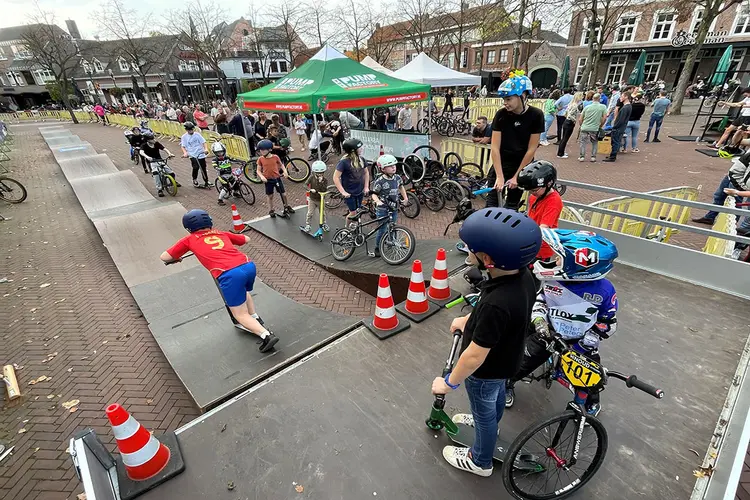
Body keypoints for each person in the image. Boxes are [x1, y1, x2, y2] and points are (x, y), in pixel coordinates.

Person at [431, 208, 542, 477]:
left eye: (471, 248)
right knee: (495, 402)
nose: (467, 251)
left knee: (483, 411)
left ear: (488, 259)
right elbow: (503, 316)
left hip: (485, 372)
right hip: (508, 360)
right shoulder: (522, 277)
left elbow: (473, 356)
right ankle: (491, 424)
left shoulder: (497, 303)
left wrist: (448, 383)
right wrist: (469, 319)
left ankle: (480, 460)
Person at [504, 229, 619, 416]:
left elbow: (608, 322)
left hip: (581, 341)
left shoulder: (604, 290)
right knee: (520, 361)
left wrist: (588, 340)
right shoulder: (554, 280)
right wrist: (540, 321)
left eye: (559, 258)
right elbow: (540, 300)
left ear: (581, 265)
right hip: (549, 332)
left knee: (590, 376)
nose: (554, 261)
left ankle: (586, 401)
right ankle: (508, 382)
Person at [160, 209, 279, 353]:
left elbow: (164, 257)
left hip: (229, 274)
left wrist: (176, 258)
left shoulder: (189, 240)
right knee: (243, 291)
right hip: (248, 266)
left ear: (188, 227)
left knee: (239, 314)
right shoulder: (220, 233)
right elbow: (246, 239)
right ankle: (254, 317)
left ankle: (266, 335)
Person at [488, 71, 545, 210]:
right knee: (491, 205)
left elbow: (532, 148)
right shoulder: (501, 114)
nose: (505, 103)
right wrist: (499, 176)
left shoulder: (536, 115)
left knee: (511, 206)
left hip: (522, 165)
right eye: (504, 100)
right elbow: (495, 147)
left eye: (509, 99)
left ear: (523, 96)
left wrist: (517, 177)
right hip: (501, 163)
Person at [516, 161, 563, 263]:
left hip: (541, 248)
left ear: (548, 184)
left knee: (533, 276)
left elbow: (543, 228)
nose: (532, 193)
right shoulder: (535, 196)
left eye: (534, 190)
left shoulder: (553, 201)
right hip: (530, 241)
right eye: (530, 191)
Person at [692, 150, 750, 224]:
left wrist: (739, 188)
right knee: (719, 196)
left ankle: (732, 225)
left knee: (734, 203)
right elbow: (739, 141)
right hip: (733, 175)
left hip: (738, 181)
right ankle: (710, 217)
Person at [371, 154, 408, 257]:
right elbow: (374, 194)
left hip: (394, 207)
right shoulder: (380, 181)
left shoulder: (397, 178)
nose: (393, 167)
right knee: (382, 229)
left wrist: (405, 198)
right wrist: (377, 201)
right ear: (383, 169)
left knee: (393, 226)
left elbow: (401, 187)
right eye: (390, 166)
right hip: (383, 209)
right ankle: (378, 247)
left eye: (394, 165)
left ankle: (392, 243)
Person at [334, 138, 370, 221]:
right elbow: (335, 177)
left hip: (360, 191)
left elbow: (366, 173)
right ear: (353, 151)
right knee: (353, 213)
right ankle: (347, 229)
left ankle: (354, 226)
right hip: (349, 192)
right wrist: (343, 192)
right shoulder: (344, 162)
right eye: (360, 148)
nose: (362, 149)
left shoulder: (362, 159)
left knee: (357, 210)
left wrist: (366, 187)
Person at [256, 138, 293, 218]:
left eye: (263, 150)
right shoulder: (260, 159)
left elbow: (281, 165)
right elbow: (258, 170)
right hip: (268, 180)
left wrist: (285, 171)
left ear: (269, 149)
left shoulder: (275, 157)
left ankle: (286, 206)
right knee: (270, 196)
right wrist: (262, 177)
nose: (261, 152)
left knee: (284, 194)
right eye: (260, 150)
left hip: (277, 178)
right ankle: (271, 209)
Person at [139, 131, 179, 197]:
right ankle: (159, 189)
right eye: (152, 139)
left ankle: (173, 182)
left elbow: (164, 148)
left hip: (160, 160)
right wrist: (147, 157)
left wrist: (169, 153)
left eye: (153, 138)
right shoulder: (144, 145)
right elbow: (141, 152)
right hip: (152, 162)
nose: (154, 140)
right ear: (148, 140)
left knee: (171, 173)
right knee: (156, 174)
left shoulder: (156, 143)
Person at [578, 93, 608, 162]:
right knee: (594, 142)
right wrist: (600, 125)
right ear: (599, 99)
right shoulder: (603, 107)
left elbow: (580, 119)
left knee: (583, 142)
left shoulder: (587, 107)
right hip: (594, 128)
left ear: (593, 99)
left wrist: (581, 125)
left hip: (585, 127)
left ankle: (582, 157)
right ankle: (593, 157)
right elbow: (604, 118)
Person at [603, 91, 631, 162]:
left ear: (626, 97)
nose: (620, 98)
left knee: (615, 142)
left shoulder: (625, 108)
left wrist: (615, 127)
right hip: (621, 127)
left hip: (618, 128)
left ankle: (612, 157)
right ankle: (612, 155)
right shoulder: (628, 107)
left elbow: (621, 120)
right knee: (616, 141)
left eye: (622, 96)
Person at [180, 122, 210, 188]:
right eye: (189, 130)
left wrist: (206, 149)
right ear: (186, 130)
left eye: (192, 129)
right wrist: (185, 153)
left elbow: (203, 142)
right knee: (195, 167)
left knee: (203, 167)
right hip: (192, 154)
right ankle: (195, 179)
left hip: (200, 153)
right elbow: (183, 146)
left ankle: (206, 180)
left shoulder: (197, 135)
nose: (191, 131)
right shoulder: (184, 137)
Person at [556, 92, 583, 159]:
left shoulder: (571, 104)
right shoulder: (575, 105)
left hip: (566, 121)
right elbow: (570, 115)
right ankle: (560, 153)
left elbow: (566, 113)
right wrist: (574, 120)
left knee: (564, 138)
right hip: (570, 122)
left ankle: (561, 152)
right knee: (565, 138)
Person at [305, 161, 329, 233]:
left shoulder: (325, 180)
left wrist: (320, 182)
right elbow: (305, 185)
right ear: (314, 172)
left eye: (321, 173)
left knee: (322, 213)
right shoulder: (311, 178)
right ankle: (308, 225)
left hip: (320, 199)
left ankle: (324, 224)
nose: (320, 174)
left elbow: (324, 189)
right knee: (310, 213)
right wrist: (310, 189)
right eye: (318, 173)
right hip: (312, 199)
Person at [211, 141, 234, 206]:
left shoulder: (227, 157)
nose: (220, 154)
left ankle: (235, 192)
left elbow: (233, 161)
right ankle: (220, 200)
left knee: (236, 183)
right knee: (226, 188)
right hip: (222, 176)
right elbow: (215, 166)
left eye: (221, 152)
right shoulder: (215, 160)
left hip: (230, 174)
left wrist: (241, 162)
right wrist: (221, 169)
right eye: (218, 153)